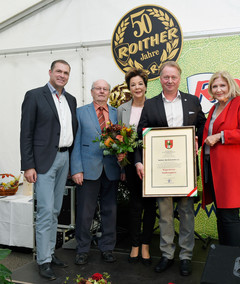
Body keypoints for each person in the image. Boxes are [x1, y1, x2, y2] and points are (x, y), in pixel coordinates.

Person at [135, 61, 206, 276]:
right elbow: (140, 135)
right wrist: (139, 160)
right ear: (160, 78)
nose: (169, 81)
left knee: (186, 213)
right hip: (160, 171)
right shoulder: (150, 104)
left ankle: (185, 256)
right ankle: (167, 254)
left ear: (179, 77)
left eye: (173, 77)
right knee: (165, 215)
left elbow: (202, 125)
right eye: (165, 77)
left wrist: (197, 140)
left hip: (185, 171)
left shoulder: (193, 100)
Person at [20, 59, 78, 280]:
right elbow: (26, 132)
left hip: (64, 158)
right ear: (50, 72)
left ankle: (50, 252)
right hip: (44, 161)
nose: (62, 75)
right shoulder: (34, 96)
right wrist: (28, 165)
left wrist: (72, 162)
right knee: (45, 211)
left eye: (66, 73)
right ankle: (43, 260)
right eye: (58, 71)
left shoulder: (70, 99)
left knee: (55, 211)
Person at [201, 71, 240, 247]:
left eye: (222, 85)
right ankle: (224, 256)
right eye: (215, 86)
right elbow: (206, 135)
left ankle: (234, 257)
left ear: (230, 86)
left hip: (231, 170)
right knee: (221, 214)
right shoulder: (214, 108)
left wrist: (220, 136)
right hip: (213, 168)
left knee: (229, 215)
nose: (219, 89)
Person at [70, 79, 122, 265]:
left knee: (110, 210)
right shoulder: (79, 113)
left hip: (111, 170)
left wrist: (122, 167)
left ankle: (107, 247)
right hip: (87, 170)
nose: (101, 91)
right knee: (85, 212)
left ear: (109, 93)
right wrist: (76, 169)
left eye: (105, 89)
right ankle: (82, 248)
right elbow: (74, 142)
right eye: (98, 88)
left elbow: (123, 142)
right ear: (91, 92)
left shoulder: (117, 113)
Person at [117, 68, 156, 266]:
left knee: (149, 205)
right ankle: (134, 245)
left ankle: (146, 245)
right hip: (131, 162)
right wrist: (120, 157)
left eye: (140, 83)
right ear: (129, 88)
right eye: (133, 84)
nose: (137, 87)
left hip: (153, 160)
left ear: (145, 85)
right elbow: (117, 138)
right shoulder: (122, 109)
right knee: (135, 205)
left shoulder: (155, 106)